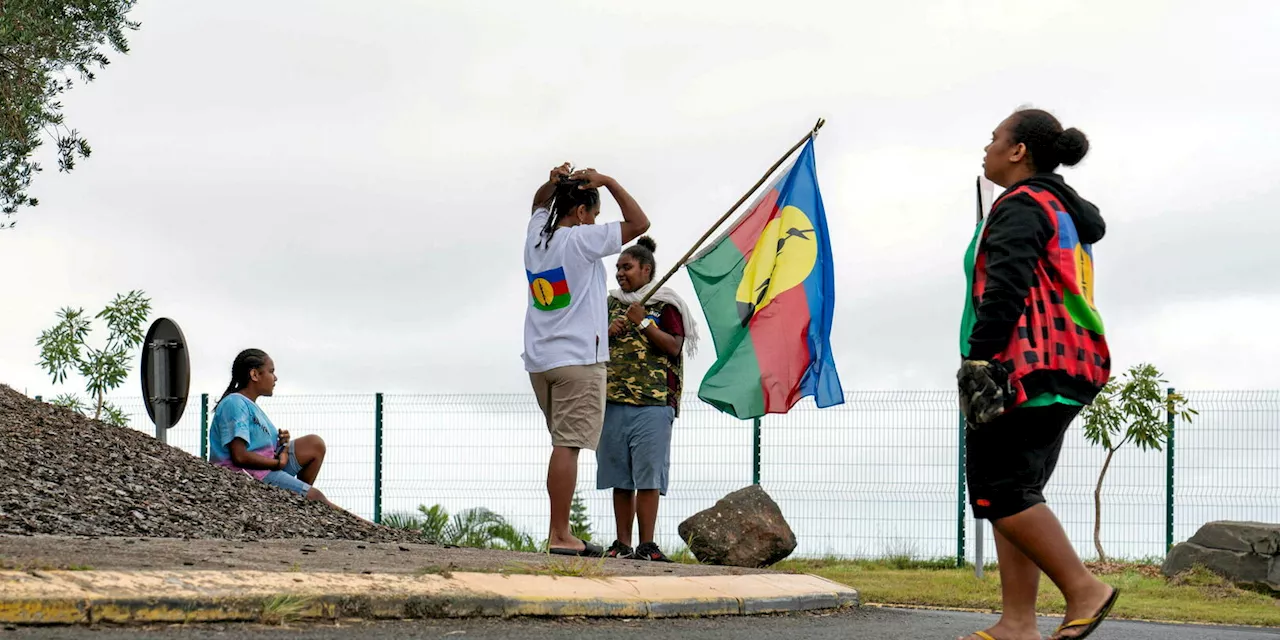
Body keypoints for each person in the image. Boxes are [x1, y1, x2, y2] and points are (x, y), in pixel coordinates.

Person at [957, 108, 1118, 640]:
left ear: (1019, 150)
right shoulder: (1062, 207)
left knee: (998, 489)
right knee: (1016, 492)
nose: (987, 147)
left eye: (994, 137)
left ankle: (1084, 589)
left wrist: (980, 362)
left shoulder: (1023, 205)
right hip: (1070, 363)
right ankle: (1017, 622)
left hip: (1025, 365)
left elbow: (1006, 289)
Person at [523, 163, 650, 557]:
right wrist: (609, 181)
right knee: (568, 445)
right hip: (578, 360)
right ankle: (560, 534)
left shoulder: (535, 236)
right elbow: (640, 223)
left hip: (540, 360)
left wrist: (553, 182)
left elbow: (537, 205)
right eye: (594, 213)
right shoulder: (581, 240)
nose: (596, 221)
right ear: (581, 213)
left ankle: (562, 530)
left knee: (562, 443)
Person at [597, 236, 699, 561]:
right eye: (617, 268)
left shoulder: (666, 304)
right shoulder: (609, 304)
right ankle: (622, 544)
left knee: (648, 475)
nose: (620, 274)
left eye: (626, 267)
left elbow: (673, 346)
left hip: (654, 403)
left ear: (646, 269)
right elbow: (589, 342)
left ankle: (647, 544)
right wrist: (605, 332)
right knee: (620, 477)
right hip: (613, 400)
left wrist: (642, 321)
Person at [209, 348, 336, 508]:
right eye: (271, 371)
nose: (275, 378)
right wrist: (277, 464)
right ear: (254, 375)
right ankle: (303, 500)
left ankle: (296, 501)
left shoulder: (252, 407)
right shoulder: (235, 403)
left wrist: (281, 443)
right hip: (245, 475)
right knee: (317, 497)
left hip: (265, 468)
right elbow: (239, 457)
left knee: (314, 444)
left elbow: (262, 449)